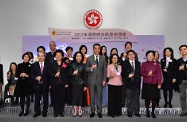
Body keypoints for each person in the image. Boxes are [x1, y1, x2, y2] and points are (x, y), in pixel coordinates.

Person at [86, 43, 106, 118]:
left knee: (99, 96)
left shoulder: (103, 58)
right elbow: (86, 69)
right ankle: (92, 111)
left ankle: (99, 111)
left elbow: (104, 70)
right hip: (91, 81)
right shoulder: (89, 58)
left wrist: (104, 80)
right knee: (92, 97)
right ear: (93, 49)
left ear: (100, 49)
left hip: (100, 81)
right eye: (95, 48)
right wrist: (91, 68)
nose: (97, 50)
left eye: (98, 48)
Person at [140, 50, 162, 118]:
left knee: (154, 98)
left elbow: (159, 74)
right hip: (146, 83)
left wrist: (159, 83)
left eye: (151, 55)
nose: (150, 56)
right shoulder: (143, 64)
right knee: (147, 98)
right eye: (148, 55)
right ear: (146, 56)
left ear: (153, 56)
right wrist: (147, 74)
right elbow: (141, 73)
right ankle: (147, 111)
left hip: (154, 83)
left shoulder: (157, 64)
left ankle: (153, 112)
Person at [48, 49, 69, 117]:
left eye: (60, 55)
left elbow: (66, 74)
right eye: (57, 55)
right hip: (54, 83)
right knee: (55, 98)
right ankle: (55, 112)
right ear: (55, 56)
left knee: (62, 98)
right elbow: (49, 73)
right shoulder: (52, 64)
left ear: (62, 56)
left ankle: (61, 112)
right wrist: (54, 75)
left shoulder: (64, 64)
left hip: (62, 83)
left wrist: (66, 83)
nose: (58, 56)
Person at [121, 50, 141, 118]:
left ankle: (136, 111)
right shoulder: (124, 64)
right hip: (128, 83)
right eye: (129, 54)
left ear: (134, 55)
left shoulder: (138, 63)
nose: (131, 56)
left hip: (136, 83)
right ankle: (129, 112)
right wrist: (127, 75)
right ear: (127, 56)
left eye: (132, 54)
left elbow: (139, 73)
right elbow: (122, 74)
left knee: (136, 98)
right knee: (129, 99)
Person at [30, 52, 50, 117]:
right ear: (38, 57)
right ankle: (37, 111)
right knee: (37, 99)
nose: (41, 57)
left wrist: (49, 84)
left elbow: (49, 75)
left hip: (45, 85)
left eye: (42, 56)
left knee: (45, 99)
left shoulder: (48, 65)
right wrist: (35, 78)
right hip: (37, 85)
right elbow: (31, 75)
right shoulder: (34, 65)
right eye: (39, 56)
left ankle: (45, 111)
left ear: (44, 57)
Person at [69, 51, 86, 117]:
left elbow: (85, 76)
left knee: (80, 97)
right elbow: (69, 74)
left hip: (81, 83)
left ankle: (79, 110)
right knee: (74, 97)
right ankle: (75, 110)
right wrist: (73, 73)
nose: (78, 57)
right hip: (74, 83)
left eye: (80, 56)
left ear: (81, 57)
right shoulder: (72, 64)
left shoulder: (84, 65)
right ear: (75, 57)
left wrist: (85, 85)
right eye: (77, 56)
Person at [175, 45, 187, 117]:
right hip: (182, 81)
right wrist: (179, 69)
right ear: (180, 51)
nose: (183, 51)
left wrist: (185, 67)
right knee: (182, 96)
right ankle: (184, 111)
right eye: (181, 50)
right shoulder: (178, 61)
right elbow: (175, 71)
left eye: (185, 49)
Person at [46, 41, 56, 107]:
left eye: (52, 45)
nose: (51, 46)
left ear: (55, 45)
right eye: (50, 45)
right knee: (51, 90)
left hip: (58, 74)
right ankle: (52, 102)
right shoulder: (47, 54)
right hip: (50, 74)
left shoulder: (59, 53)